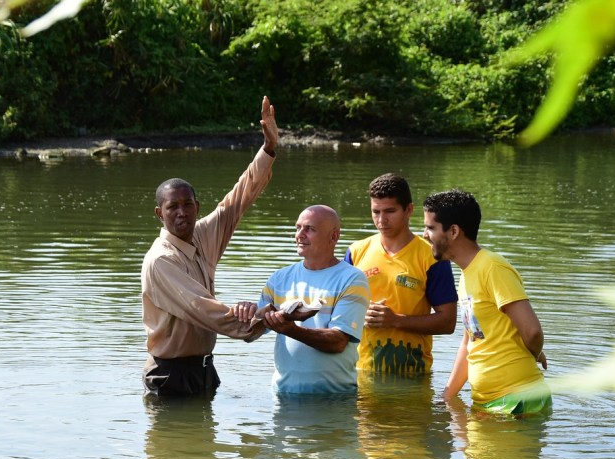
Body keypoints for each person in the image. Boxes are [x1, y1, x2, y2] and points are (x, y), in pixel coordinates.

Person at [141, 95, 278, 398]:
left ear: (196, 207)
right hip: (170, 375)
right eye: (172, 207)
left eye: (187, 205)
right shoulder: (161, 260)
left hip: (204, 370)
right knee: (174, 446)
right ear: (159, 213)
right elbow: (203, 309)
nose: (181, 213)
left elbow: (237, 201)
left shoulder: (202, 235)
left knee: (202, 445)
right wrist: (262, 319)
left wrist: (268, 148)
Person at [422, 189, 550, 415]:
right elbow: (470, 343)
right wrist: (447, 398)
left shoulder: (492, 267)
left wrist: (533, 351)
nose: (424, 234)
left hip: (516, 403)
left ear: (453, 231)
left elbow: (532, 332)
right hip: (489, 405)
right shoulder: (466, 275)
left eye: (430, 227)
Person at [244, 205, 370, 394]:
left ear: (334, 237)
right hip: (284, 397)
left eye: (309, 229)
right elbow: (251, 334)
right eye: (298, 228)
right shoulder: (279, 279)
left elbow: (338, 341)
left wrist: (291, 329)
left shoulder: (352, 279)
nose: (299, 235)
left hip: (334, 399)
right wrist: (248, 313)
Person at [344, 173, 457, 376]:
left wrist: (396, 320)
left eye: (390, 211)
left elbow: (448, 322)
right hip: (359, 373)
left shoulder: (432, 256)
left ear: (409, 210)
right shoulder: (355, 251)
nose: (381, 220)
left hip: (413, 376)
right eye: (375, 211)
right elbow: (339, 311)